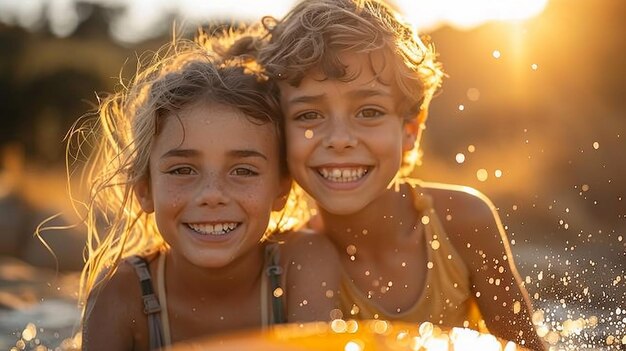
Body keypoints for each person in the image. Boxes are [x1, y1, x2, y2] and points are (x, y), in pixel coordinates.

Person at [258, 0, 546, 349]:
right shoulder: (289, 260)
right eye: (308, 116)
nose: (339, 139)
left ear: (410, 129)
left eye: (368, 111)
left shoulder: (462, 220)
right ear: (278, 134)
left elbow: (528, 346)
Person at [71, 34, 339, 351]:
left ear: (281, 188)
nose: (212, 195)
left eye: (243, 171)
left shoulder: (302, 263)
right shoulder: (121, 295)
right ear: (144, 189)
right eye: (183, 170)